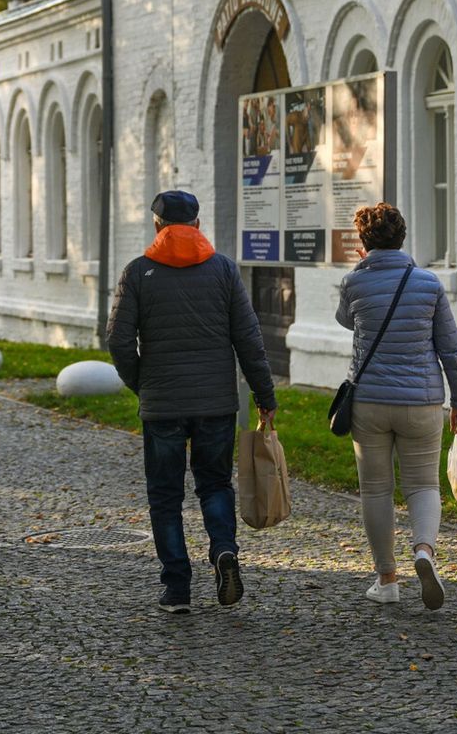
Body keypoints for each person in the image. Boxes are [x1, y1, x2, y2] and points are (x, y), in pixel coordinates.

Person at [107, 190, 276, 613]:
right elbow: (249, 339)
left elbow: (119, 341)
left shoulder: (137, 272)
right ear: (198, 225)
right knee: (215, 484)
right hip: (216, 402)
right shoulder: (222, 270)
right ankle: (223, 550)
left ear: (157, 226)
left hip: (163, 403)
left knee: (165, 496)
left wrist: (141, 383)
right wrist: (264, 394)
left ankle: (177, 588)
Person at [334, 202, 457, 610]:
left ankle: (387, 580)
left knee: (376, 490)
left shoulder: (353, 282)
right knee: (424, 484)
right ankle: (424, 552)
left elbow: (345, 320)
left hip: (370, 402)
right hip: (422, 401)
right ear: (403, 238)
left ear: (363, 242)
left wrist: (362, 271)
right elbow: (451, 347)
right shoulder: (428, 284)